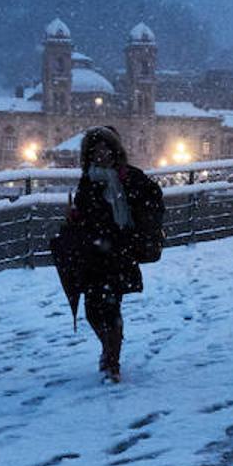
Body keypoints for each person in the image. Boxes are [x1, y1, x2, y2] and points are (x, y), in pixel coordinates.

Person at [67, 126, 163, 383]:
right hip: (93, 255)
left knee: (111, 308)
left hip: (119, 253)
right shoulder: (88, 179)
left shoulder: (130, 177)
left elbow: (154, 200)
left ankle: (113, 362)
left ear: (114, 151)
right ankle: (108, 349)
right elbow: (83, 211)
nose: (101, 154)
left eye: (105, 149)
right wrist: (75, 217)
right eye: (95, 150)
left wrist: (141, 229)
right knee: (92, 311)